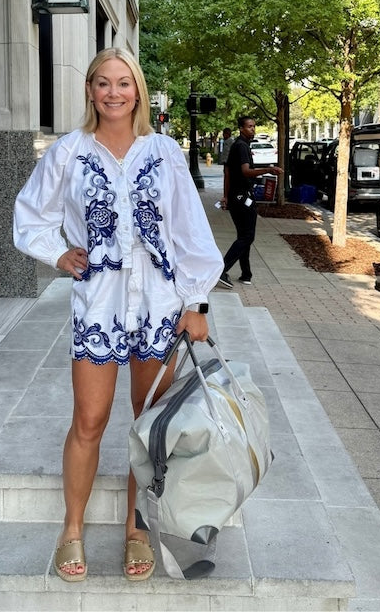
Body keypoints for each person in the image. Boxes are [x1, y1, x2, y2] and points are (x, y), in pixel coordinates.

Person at [13, 47, 224, 582]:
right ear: (89, 90)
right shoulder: (68, 153)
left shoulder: (165, 153)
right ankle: (73, 529)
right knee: (89, 419)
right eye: (103, 83)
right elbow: (32, 215)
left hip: (159, 306)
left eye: (123, 83)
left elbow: (190, 231)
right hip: (100, 305)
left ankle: (136, 528)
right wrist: (57, 253)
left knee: (149, 424)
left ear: (139, 91)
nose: (113, 92)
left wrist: (196, 303)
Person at [217, 116, 283, 288]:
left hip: (235, 196)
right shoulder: (241, 147)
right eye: (249, 127)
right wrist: (269, 169)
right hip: (242, 197)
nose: (253, 129)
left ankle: (246, 273)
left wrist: (226, 196)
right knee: (247, 236)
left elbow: (228, 173)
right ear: (241, 128)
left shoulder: (237, 146)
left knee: (244, 236)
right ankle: (221, 270)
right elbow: (246, 172)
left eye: (254, 126)